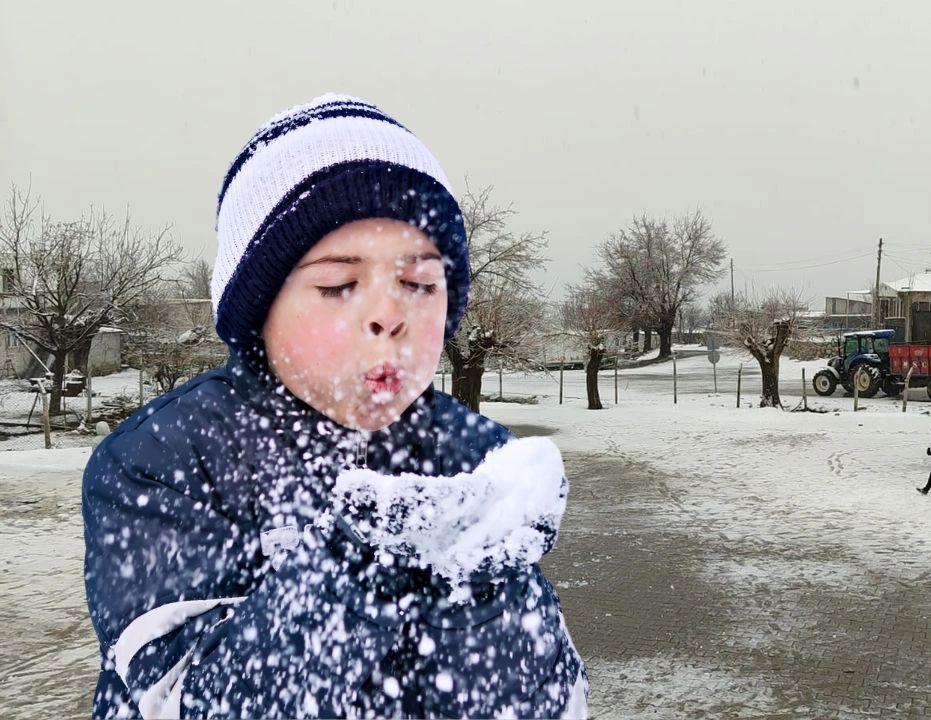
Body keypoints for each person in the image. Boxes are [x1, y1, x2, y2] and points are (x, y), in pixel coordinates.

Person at [81, 95, 587, 719]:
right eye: (338, 285)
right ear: (259, 310)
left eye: (420, 284)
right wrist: (356, 561)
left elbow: (551, 700)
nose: (389, 314)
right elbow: (182, 701)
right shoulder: (161, 459)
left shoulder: (474, 455)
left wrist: (485, 595)